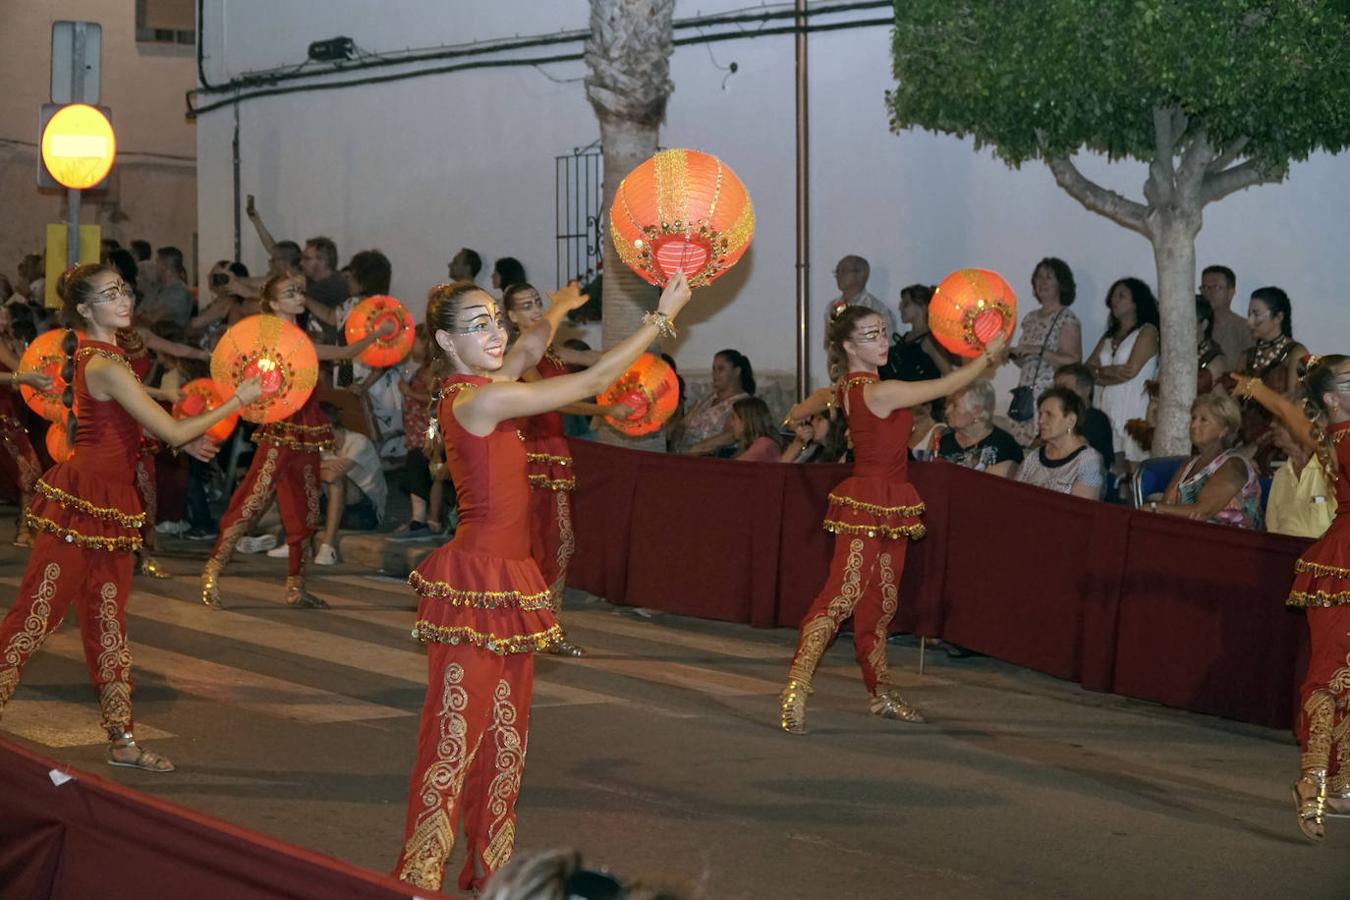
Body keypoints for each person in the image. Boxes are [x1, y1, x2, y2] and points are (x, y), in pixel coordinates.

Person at [393, 272, 694, 893]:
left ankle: (494, 873)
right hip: (476, 583)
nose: (495, 332)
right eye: (477, 326)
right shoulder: (473, 400)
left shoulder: (492, 383)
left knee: (505, 745)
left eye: (494, 319)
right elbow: (589, 382)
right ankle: (415, 880)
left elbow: (529, 350)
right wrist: (660, 319)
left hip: (509, 584)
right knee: (451, 745)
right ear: (447, 345)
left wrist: (555, 307)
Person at [0, 264, 259, 773]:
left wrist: (178, 433)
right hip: (82, 503)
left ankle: (122, 741)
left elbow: (131, 426)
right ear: (84, 310)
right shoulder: (103, 363)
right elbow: (169, 429)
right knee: (34, 618)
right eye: (108, 295)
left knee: (108, 625)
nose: (123, 300)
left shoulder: (111, 357)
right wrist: (236, 400)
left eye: (124, 290)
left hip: (110, 504)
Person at [777, 305, 1006, 734]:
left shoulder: (846, 387)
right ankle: (795, 688)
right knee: (841, 596)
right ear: (849, 346)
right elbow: (946, 384)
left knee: (880, 604)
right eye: (870, 335)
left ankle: (879, 692)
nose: (882, 341)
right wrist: (986, 359)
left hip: (891, 503)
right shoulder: (878, 392)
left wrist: (794, 417)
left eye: (883, 333)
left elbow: (816, 400)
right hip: (869, 499)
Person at [199, 273, 393, 609]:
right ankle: (212, 571)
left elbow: (343, 351)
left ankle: (295, 586)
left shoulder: (299, 335)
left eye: (300, 291)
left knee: (303, 506)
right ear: (273, 303)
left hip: (307, 430)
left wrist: (375, 335)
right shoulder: (270, 337)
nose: (299, 297)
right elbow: (341, 351)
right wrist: (376, 334)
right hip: (281, 430)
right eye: (290, 293)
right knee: (253, 497)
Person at [503, 282, 632, 657]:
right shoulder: (522, 357)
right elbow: (555, 401)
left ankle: (541, 625)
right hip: (532, 456)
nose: (533, 311)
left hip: (553, 454)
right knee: (545, 541)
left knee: (556, 542)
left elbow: (597, 361)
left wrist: (644, 343)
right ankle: (537, 626)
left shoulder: (553, 352)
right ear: (511, 316)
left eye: (537, 303)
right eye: (524, 307)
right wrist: (605, 411)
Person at [1280, 355, 1350, 840]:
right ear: (1332, 398)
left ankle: (1342, 781)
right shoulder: (1346, 439)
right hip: (1341, 565)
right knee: (1328, 673)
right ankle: (1314, 781)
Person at [1231, 372, 1336, 539]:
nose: (1272, 425)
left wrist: (1256, 389)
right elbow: (1273, 533)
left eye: (1281, 420)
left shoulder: (1331, 466)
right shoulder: (1281, 476)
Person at [1149, 393, 1262, 529]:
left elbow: (1202, 512)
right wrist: (1157, 508)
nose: (1194, 425)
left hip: (1233, 543)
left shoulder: (1233, 465)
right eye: (1193, 418)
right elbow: (1167, 504)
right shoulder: (1188, 466)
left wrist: (1154, 507)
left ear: (1223, 430)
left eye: (1203, 420)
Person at [1006, 257, 1083, 446]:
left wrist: (1037, 350)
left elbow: (1073, 359)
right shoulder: (1030, 318)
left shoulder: (1066, 317)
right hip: (1025, 393)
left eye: (1049, 277)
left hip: (1050, 393)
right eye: (1039, 277)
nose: (1042, 282)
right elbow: (1028, 361)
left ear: (1061, 283)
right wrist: (1014, 354)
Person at [1235, 286, 1310, 477]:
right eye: (1249, 314)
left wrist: (1256, 446)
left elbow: (1293, 409)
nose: (1250, 322)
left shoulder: (1296, 353)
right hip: (1244, 443)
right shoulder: (1247, 356)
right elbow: (1236, 408)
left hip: (1281, 446)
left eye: (1256, 314)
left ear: (1278, 317)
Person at [1087, 277, 1159, 469]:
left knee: (1135, 468)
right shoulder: (1109, 335)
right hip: (1106, 407)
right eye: (1113, 296)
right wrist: (1108, 372)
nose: (1114, 301)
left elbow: (1129, 372)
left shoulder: (1148, 332)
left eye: (1121, 296)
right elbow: (1087, 369)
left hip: (1133, 409)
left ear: (1137, 302)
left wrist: (1100, 374)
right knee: (1108, 467)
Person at [0, 305, 49, 545]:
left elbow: (19, 378)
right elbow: (20, 373)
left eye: (6, 315)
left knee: (29, 470)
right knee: (29, 469)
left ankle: (25, 527)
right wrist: (26, 374)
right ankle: (25, 529)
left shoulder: (6, 342)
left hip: (7, 414)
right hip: (3, 418)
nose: (4, 318)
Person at [315, 406, 387, 564]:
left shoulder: (358, 441)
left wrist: (319, 466)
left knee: (336, 480)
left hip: (365, 512)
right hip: (335, 506)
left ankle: (328, 547)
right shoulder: (323, 446)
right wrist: (322, 465)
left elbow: (334, 475)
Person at [1015, 387, 1105, 499]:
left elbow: (1082, 511)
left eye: (1049, 415)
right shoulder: (1033, 458)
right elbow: (1014, 496)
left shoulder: (1089, 462)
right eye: (1041, 414)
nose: (1041, 421)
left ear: (1071, 420)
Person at [672, 350, 755, 455]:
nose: (715, 374)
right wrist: (675, 446)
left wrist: (694, 449)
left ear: (737, 371)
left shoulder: (744, 403)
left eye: (720, 369)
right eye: (713, 369)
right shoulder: (707, 398)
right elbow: (682, 424)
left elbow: (730, 435)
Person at [934, 381, 1022, 477]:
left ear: (976, 411)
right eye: (948, 405)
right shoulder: (944, 438)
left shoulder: (1005, 446)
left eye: (955, 406)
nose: (947, 411)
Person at [880, 283, 958, 382]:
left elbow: (949, 374)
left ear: (923, 307)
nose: (900, 308)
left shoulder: (930, 340)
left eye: (906, 304)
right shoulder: (907, 337)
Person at [1053, 363, 1114, 480]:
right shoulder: (1058, 417)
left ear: (1087, 389)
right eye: (1057, 389)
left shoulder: (1097, 419)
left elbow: (1075, 448)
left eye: (1064, 388)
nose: (1059, 394)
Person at [823, 255, 895, 342]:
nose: (838, 275)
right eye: (837, 271)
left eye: (843, 271)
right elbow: (829, 342)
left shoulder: (876, 309)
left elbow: (886, 345)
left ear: (861, 275)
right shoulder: (832, 307)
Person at [1200, 264, 1253, 370]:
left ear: (1231, 292)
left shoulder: (1245, 328)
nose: (1208, 292)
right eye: (1204, 287)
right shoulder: (1196, 326)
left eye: (1216, 287)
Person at [139, 247, 194, 328]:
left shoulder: (180, 293)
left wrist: (145, 315)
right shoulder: (156, 288)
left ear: (165, 267)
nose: (154, 266)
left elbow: (153, 319)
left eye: (157, 262)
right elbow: (137, 313)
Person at [729, 397, 781, 461]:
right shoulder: (749, 446)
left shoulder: (764, 444)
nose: (731, 424)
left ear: (746, 420)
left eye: (733, 418)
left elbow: (738, 466)